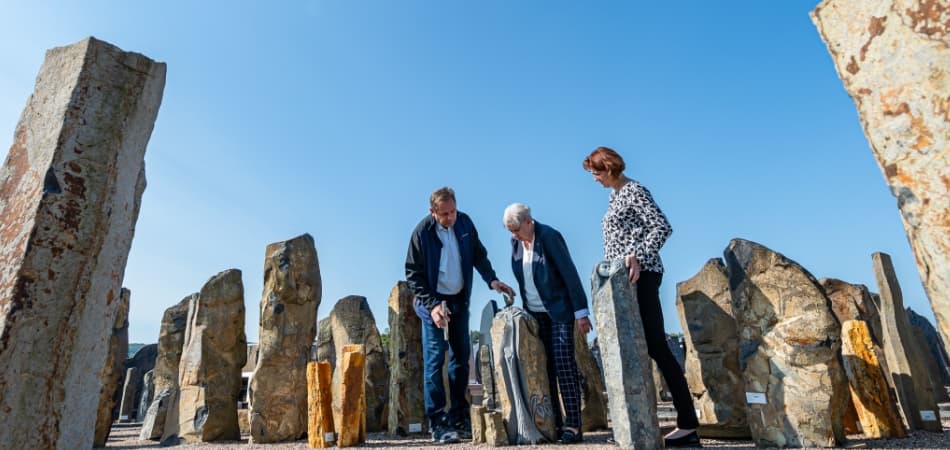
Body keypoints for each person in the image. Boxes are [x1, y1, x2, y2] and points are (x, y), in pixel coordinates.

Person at [583, 146, 701, 448]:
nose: (594, 179)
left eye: (596, 173)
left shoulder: (635, 191)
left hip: (643, 276)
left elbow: (662, 227)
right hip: (621, 281)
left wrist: (637, 254)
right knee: (634, 348)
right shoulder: (614, 197)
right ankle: (636, 423)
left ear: (608, 168)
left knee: (657, 347)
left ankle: (688, 425)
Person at [405, 187, 516, 444]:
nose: (450, 217)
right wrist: (433, 305)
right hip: (431, 302)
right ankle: (437, 422)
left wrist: (492, 280)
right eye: (444, 214)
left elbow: (478, 254)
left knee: (460, 358)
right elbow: (413, 274)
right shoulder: (421, 233)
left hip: (458, 301)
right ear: (432, 212)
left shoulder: (464, 223)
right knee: (435, 360)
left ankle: (459, 416)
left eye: (453, 211)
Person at [502, 203, 591, 444]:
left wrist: (581, 312)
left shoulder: (549, 237)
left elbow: (569, 273)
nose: (514, 235)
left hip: (559, 310)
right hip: (535, 312)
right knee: (546, 368)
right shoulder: (516, 243)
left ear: (529, 222)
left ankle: (573, 425)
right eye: (510, 231)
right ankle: (555, 423)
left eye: (516, 230)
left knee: (564, 364)